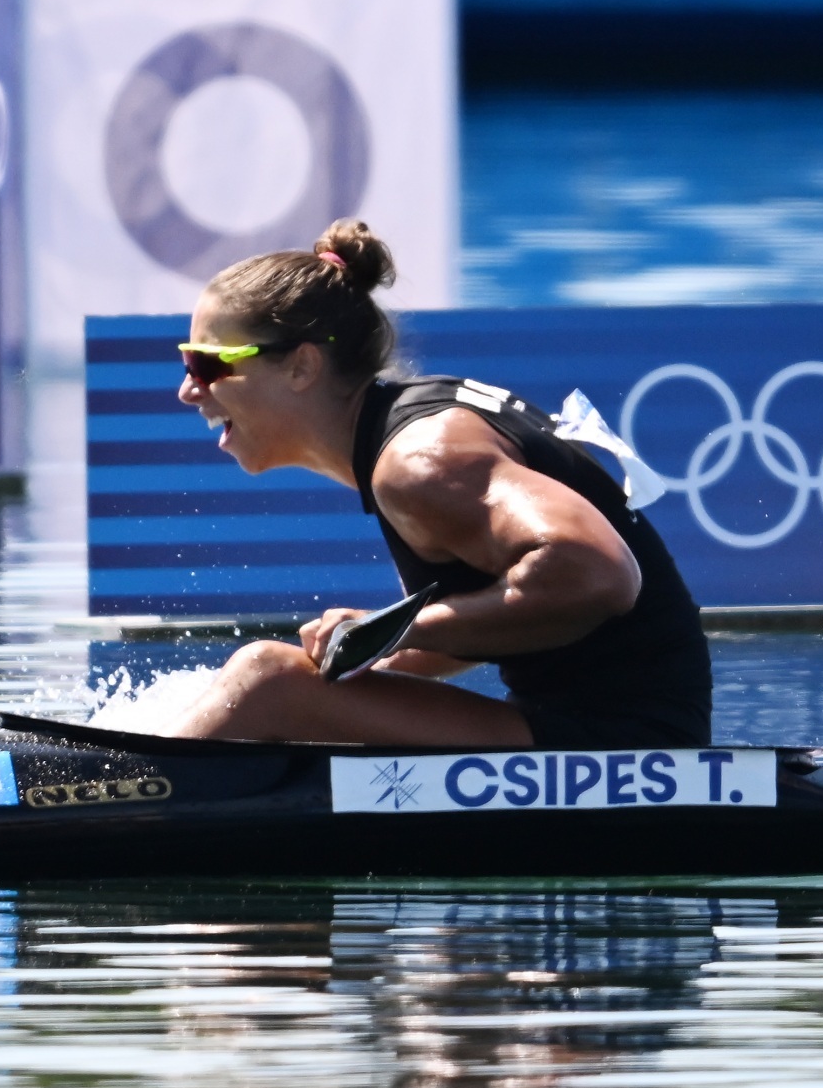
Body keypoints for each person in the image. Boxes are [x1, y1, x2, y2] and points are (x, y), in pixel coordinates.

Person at [164, 219, 714, 748]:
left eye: (208, 365)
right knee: (267, 684)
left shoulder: (420, 461)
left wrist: (394, 630)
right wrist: (370, 648)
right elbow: (488, 615)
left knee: (266, 678)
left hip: (630, 747)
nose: (188, 390)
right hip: (598, 725)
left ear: (301, 367)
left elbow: (600, 575)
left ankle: (126, 789)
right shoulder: (402, 432)